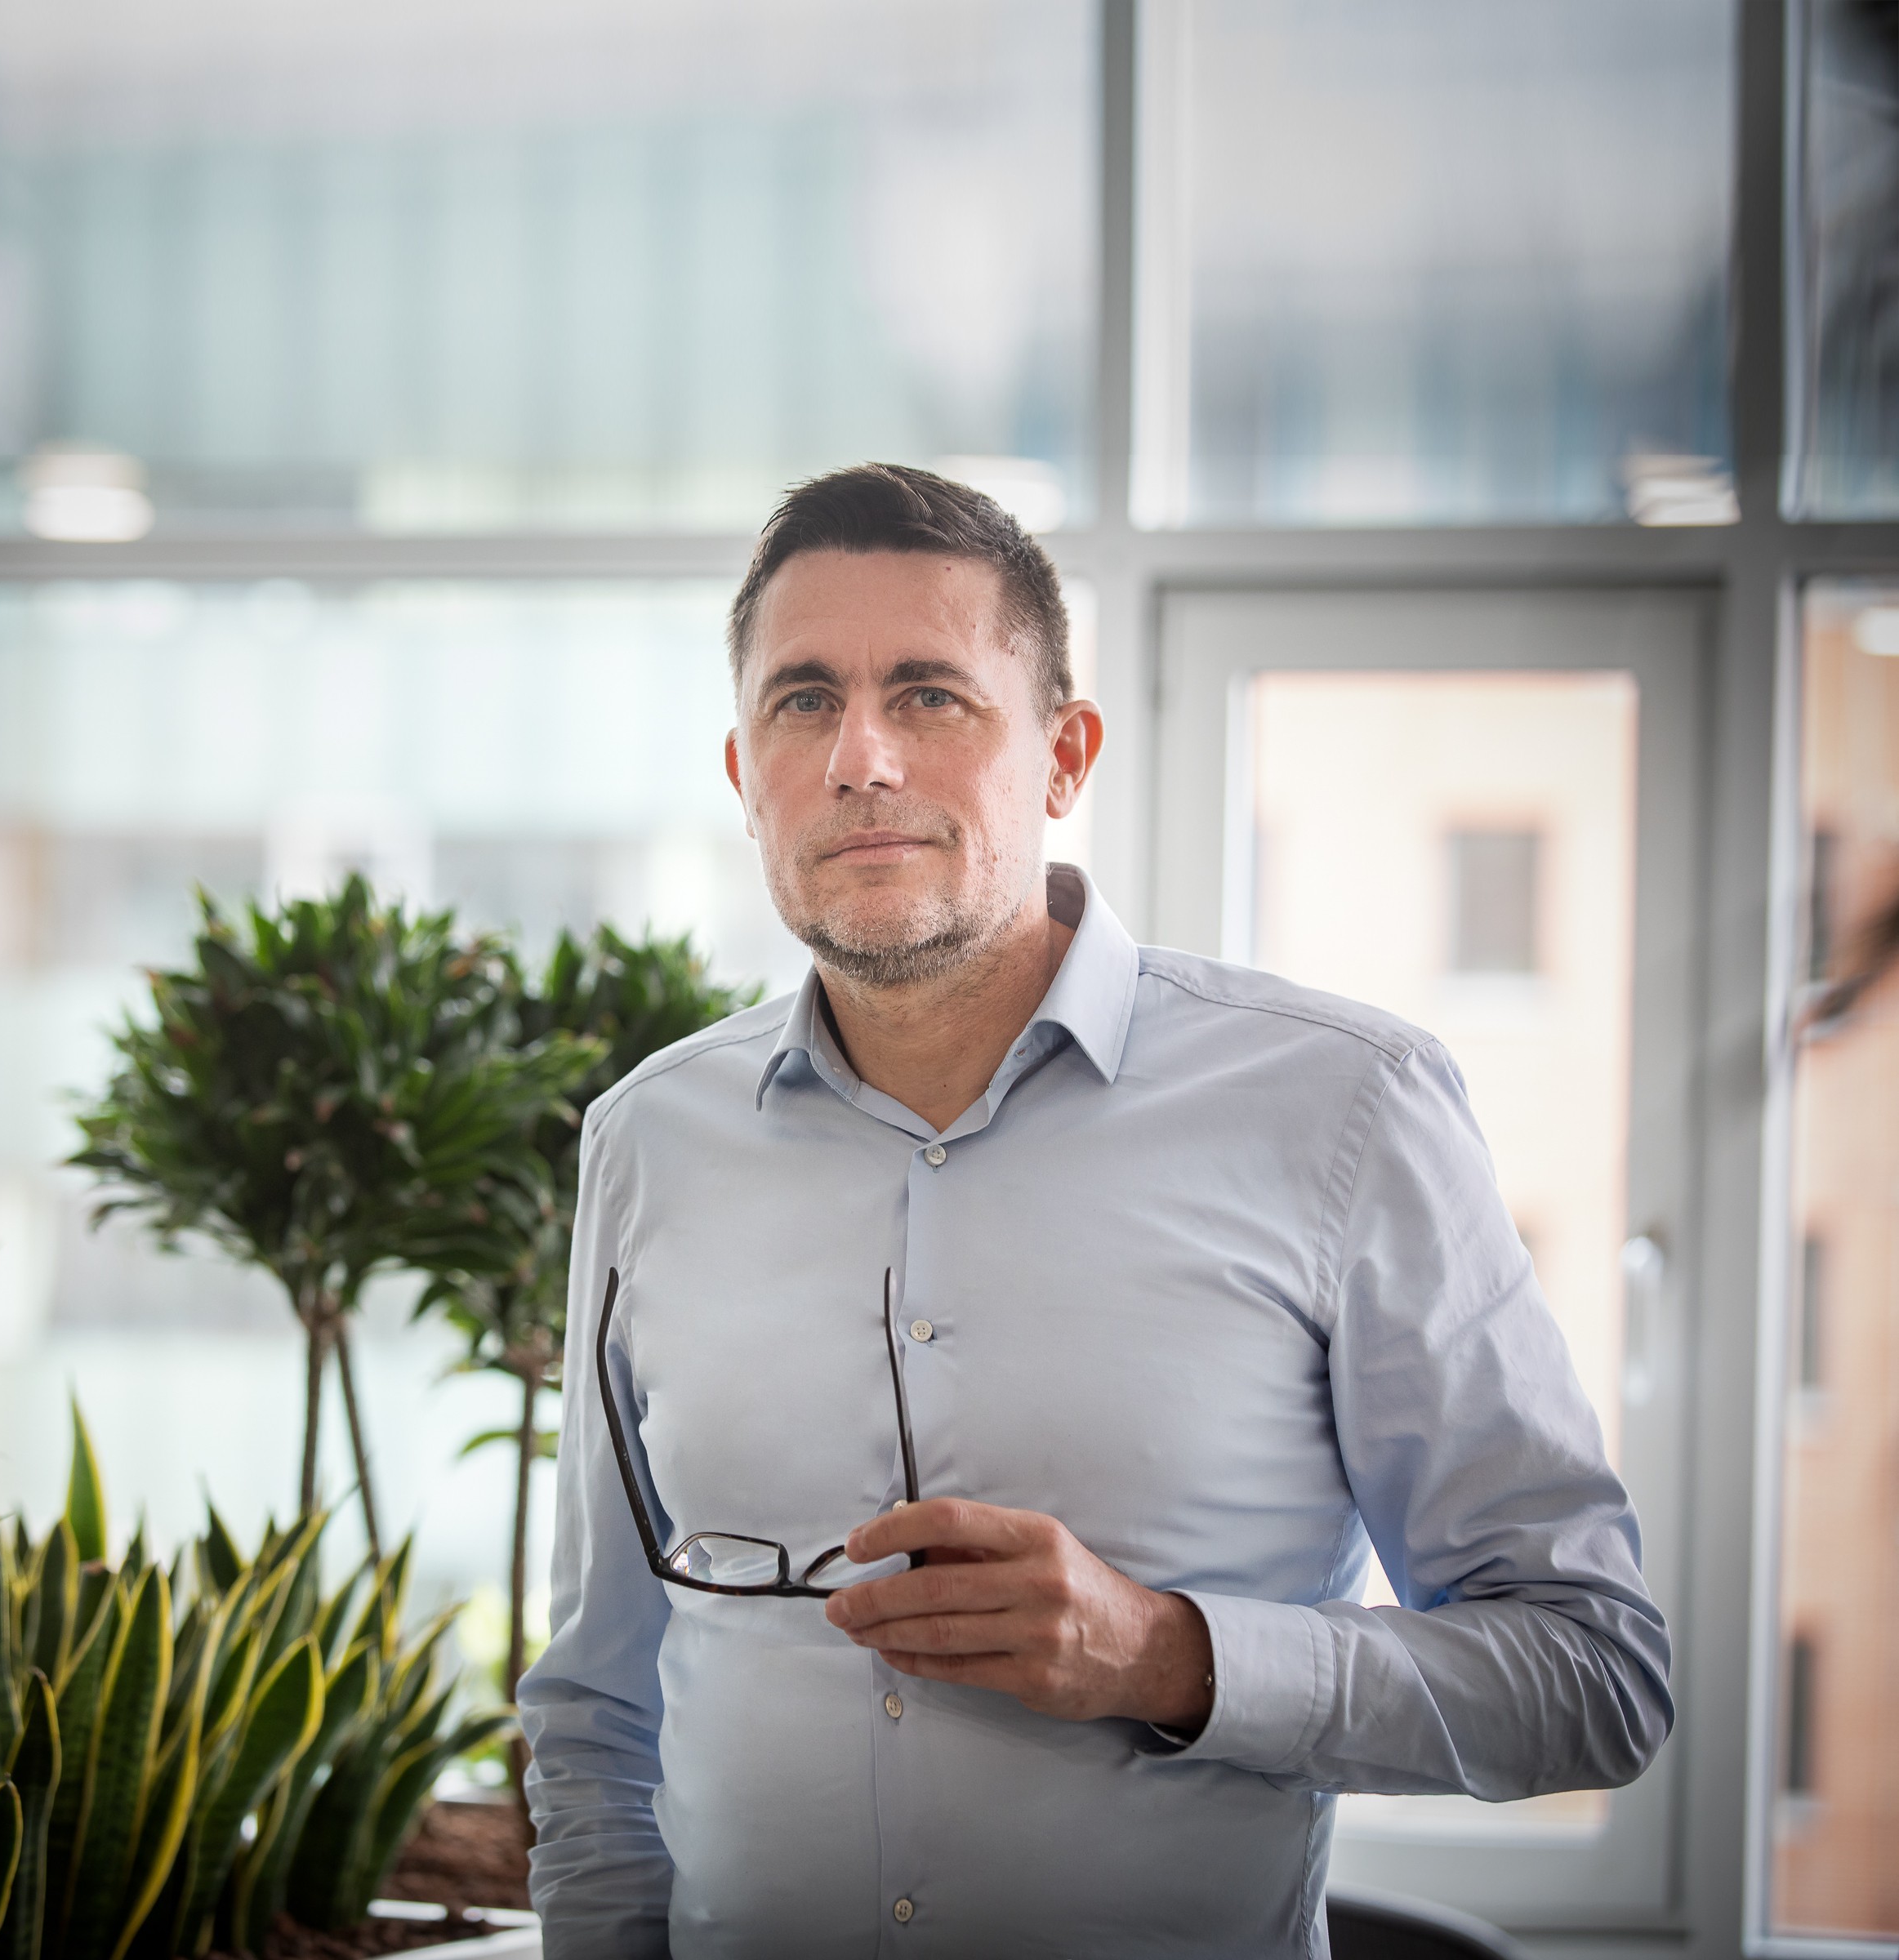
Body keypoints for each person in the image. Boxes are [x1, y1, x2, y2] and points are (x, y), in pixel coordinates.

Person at [518, 464, 1673, 1958]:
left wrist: (1168, 1658)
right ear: (744, 775)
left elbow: (1593, 1676)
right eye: (803, 701)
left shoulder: (1348, 1110)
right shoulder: (646, 1141)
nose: (859, 757)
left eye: (929, 694)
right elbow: (596, 1708)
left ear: (1063, 758)